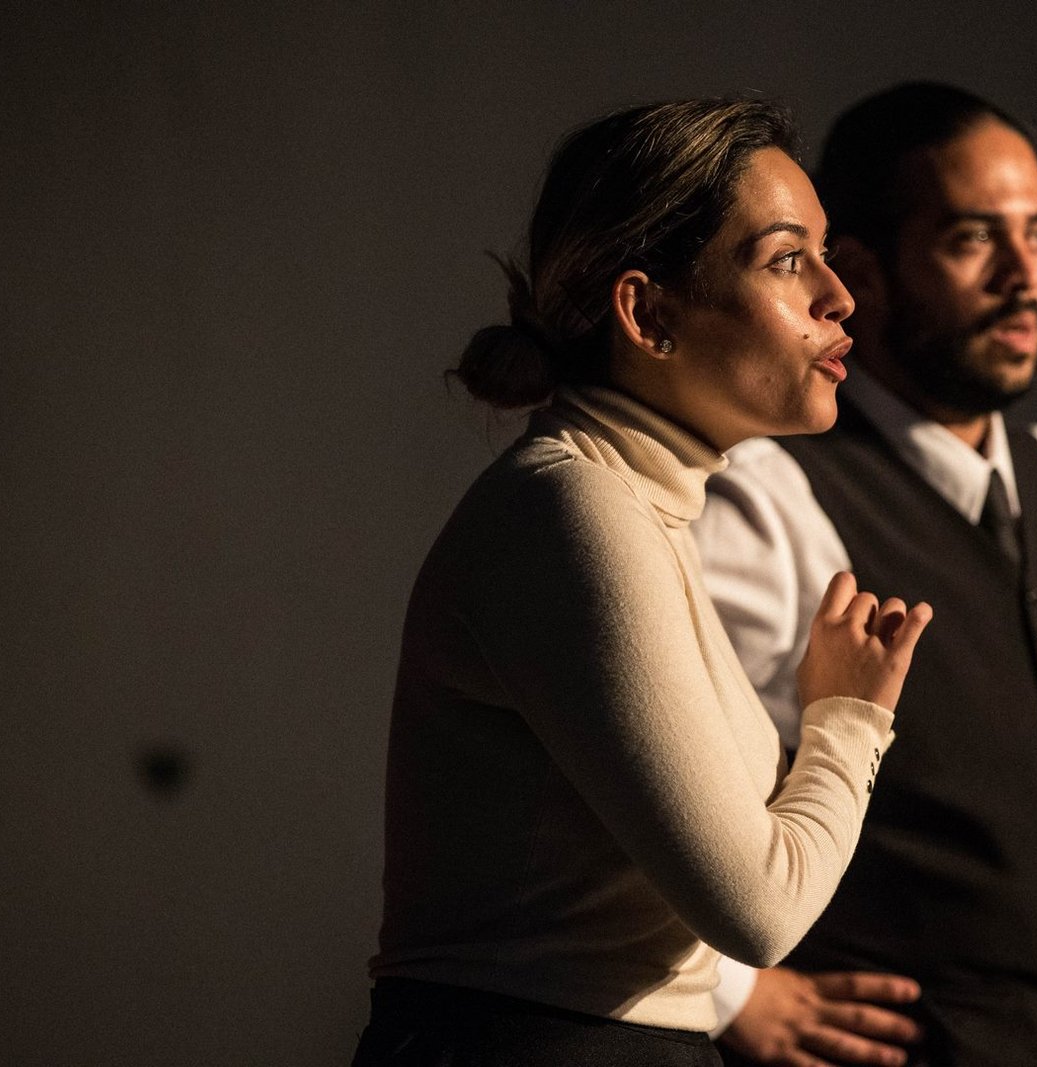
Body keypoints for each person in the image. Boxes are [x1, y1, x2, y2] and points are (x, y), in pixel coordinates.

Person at [353, 98, 934, 1067]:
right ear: (649, 314)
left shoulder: (632, 509)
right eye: (788, 259)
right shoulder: (571, 510)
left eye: (826, 255)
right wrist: (848, 718)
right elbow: (761, 910)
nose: (839, 296)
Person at [693, 83, 1037, 1067]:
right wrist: (729, 992)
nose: (1023, 275)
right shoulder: (769, 493)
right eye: (972, 239)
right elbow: (645, 778)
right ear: (860, 272)